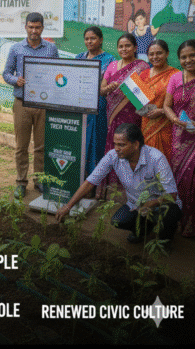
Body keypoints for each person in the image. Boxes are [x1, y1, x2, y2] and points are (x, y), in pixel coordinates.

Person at [56, 123, 180, 244]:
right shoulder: (113, 156)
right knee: (118, 220)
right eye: (115, 144)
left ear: (136, 144)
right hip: (135, 205)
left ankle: (165, 238)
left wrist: (151, 204)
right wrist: (68, 207)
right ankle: (141, 231)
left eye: (121, 145)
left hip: (161, 204)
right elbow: (90, 182)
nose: (116, 148)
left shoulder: (156, 158)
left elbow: (172, 195)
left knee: (170, 215)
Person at [2, 12, 58, 198]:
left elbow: (58, 73)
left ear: (42, 28)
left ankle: (40, 180)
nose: (34, 31)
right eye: (31, 27)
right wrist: (16, 80)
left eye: (37, 27)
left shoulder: (51, 49)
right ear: (25, 27)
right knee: (21, 146)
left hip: (43, 104)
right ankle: (21, 182)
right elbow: (6, 73)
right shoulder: (16, 48)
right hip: (22, 103)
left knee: (41, 146)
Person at [102, 33, 150, 196]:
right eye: (121, 46)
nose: (124, 49)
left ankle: (130, 190)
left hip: (132, 115)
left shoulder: (142, 66)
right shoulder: (112, 65)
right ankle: (111, 188)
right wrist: (109, 88)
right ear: (117, 48)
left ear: (135, 48)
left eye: (128, 46)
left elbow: (144, 97)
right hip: (112, 115)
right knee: (114, 147)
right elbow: (101, 90)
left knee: (130, 147)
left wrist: (129, 91)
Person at [162, 40, 195, 237]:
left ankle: (191, 224)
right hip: (179, 138)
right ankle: (176, 220)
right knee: (179, 179)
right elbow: (167, 105)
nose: (188, 60)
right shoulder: (175, 78)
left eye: (192, 55)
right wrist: (173, 118)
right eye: (184, 57)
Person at [75, 26, 116, 183]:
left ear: (101, 40)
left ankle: (94, 183)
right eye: (86, 38)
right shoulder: (79, 57)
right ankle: (79, 179)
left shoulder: (110, 60)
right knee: (80, 142)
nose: (89, 41)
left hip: (99, 107)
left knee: (96, 143)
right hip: (79, 106)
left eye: (93, 38)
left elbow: (107, 85)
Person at [135, 39, 179, 162]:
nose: (155, 57)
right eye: (151, 54)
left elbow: (182, 105)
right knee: (148, 161)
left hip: (167, 125)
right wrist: (141, 109)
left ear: (167, 53)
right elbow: (138, 103)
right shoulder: (143, 74)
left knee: (165, 161)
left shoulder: (176, 75)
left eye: (159, 53)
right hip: (146, 125)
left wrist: (161, 111)